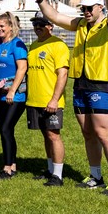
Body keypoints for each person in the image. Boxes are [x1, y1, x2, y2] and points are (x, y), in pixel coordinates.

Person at [32, 0, 108, 196]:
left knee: (104, 134)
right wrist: (40, 0)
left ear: (100, 8)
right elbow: (56, 17)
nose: (85, 12)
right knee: (88, 133)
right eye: (83, 9)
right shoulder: (82, 24)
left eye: (89, 9)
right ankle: (96, 176)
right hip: (82, 83)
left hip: (102, 84)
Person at [26, 12, 69, 186]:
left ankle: (58, 176)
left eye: (42, 24)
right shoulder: (34, 45)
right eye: (35, 23)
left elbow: (63, 74)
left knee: (53, 135)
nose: (38, 27)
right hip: (35, 100)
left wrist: (54, 100)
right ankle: (50, 170)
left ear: (51, 26)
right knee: (46, 135)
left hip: (51, 101)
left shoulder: (58, 45)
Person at [0, 12, 28, 179]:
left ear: (11, 27)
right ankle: (12, 165)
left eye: (2, 26)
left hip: (15, 96)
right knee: (6, 130)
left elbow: (22, 68)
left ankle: (6, 168)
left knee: (5, 129)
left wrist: (12, 90)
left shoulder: (17, 44)